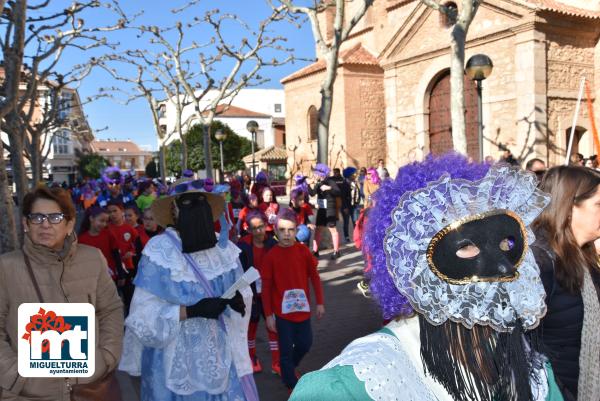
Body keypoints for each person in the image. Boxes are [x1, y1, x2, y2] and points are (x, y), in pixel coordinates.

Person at [291, 154, 564, 401]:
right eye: (466, 246)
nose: (504, 268)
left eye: (506, 243)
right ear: (412, 264)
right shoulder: (359, 384)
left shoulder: (530, 368)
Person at [119, 178, 258, 401]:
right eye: (187, 203)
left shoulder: (224, 250)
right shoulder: (159, 251)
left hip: (221, 363)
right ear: (174, 211)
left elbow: (242, 294)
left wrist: (237, 303)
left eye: (200, 202)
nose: (194, 209)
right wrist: (191, 311)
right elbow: (142, 317)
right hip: (174, 370)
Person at [0, 186, 124, 400]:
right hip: (27, 394)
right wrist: (17, 377)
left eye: (54, 217)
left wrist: (106, 358)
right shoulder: (6, 267)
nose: (45, 224)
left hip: (88, 389)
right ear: (26, 224)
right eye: (37, 217)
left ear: (69, 224)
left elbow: (110, 310)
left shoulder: (93, 259)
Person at [531, 166, 600, 401]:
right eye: (598, 205)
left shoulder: (585, 257)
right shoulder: (539, 262)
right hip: (557, 392)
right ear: (569, 208)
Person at [261, 209, 325, 391]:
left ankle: (288, 368)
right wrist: (268, 315)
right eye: (282, 230)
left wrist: (320, 302)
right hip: (282, 316)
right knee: (286, 352)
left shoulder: (303, 251)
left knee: (305, 344)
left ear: (297, 230)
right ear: (275, 231)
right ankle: (291, 383)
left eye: (291, 230)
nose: (287, 234)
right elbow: (265, 289)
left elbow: (314, 277)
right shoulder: (271, 256)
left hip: (303, 312)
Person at [237, 211, 280, 375]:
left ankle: (277, 362)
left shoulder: (273, 244)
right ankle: (252, 358)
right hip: (251, 296)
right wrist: (244, 294)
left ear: (265, 225)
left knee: (273, 328)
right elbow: (239, 273)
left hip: (269, 295)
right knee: (251, 329)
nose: (258, 231)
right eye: (254, 228)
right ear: (248, 229)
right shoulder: (243, 246)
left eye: (261, 227)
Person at [106, 200, 138, 314]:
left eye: (115, 211)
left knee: (129, 297)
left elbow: (137, 245)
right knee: (113, 298)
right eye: (109, 212)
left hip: (128, 267)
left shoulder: (130, 229)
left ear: (122, 211)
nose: (112, 214)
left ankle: (130, 319)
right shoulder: (107, 229)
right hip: (112, 268)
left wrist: (132, 252)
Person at [79, 206, 125, 282]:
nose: (104, 224)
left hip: (109, 276)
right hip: (91, 278)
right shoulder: (81, 239)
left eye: (106, 221)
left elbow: (116, 255)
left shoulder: (108, 234)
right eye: (101, 221)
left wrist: (121, 275)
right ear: (91, 219)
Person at [309, 164, 341, 259]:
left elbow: (338, 191)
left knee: (332, 229)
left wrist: (329, 188)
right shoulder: (318, 183)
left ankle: (336, 251)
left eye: (316, 173)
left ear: (321, 173)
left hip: (330, 208)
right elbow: (312, 193)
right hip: (321, 209)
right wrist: (308, 184)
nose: (315, 174)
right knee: (318, 229)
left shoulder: (330, 181)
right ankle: (315, 251)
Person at [332, 168, 353, 243]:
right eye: (334, 173)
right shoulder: (332, 180)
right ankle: (336, 238)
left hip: (343, 204)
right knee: (334, 223)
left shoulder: (343, 182)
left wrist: (345, 206)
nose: (335, 174)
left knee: (346, 221)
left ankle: (346, 236)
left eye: (336, 172)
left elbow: (344, 196)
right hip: (334, 205)